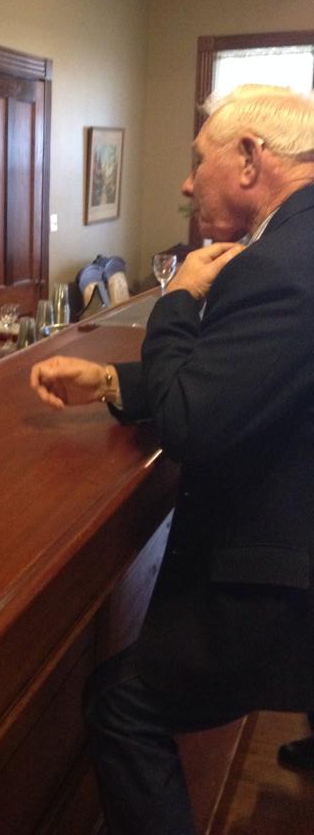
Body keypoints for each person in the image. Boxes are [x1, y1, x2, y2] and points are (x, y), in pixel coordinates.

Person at [30, 84, 314, 834]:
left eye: (199, 160)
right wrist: (114, 381)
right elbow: (255, 374)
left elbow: (194, 420)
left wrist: (178, 299)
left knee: (122, 706)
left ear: (250, 160)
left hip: (284, 572)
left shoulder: (279, 264)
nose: (188, 183)